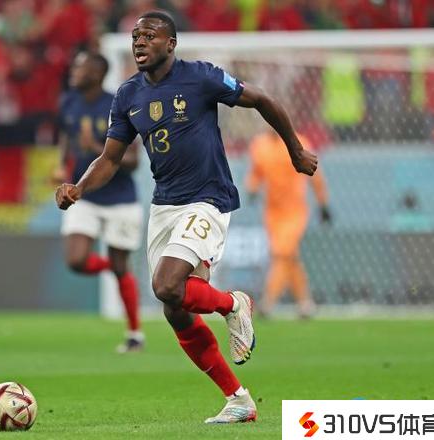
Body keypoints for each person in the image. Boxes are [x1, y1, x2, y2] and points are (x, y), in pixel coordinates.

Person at [55, 11, 318, 424]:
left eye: (150, 35)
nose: (140, 43)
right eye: (135, 37)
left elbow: (261, 99)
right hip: (165, 206)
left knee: (166, 284)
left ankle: (233, 304)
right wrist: (79, 187)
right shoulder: (127, 95)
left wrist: (295, 150)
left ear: (171, 43)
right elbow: (110, 158)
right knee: (175, 308)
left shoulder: (201, 77)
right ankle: (238, 400)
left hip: (208, 198)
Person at [53, 51, 144, 353]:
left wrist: (97, 148)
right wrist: (61, 165)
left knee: (120, 264)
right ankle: (117, 268)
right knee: (76, 261)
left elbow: (133, 161)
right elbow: (66, 136)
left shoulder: (117, 105)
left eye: (80, 67)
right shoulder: (68, 102)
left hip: (120, 199)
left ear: (97, 73)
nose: (74, 71)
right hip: (85, 195)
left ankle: (135, 333)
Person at [245, 131, 330, 318]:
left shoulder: (299, 142)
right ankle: (305, 303)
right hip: (272, 213)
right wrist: (252, 188)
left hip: (294, 211)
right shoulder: (260, 145)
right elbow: (256, 173)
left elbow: (315, 175)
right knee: (289, 256)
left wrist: (323, 203)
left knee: (281, 253)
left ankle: (268, 301)